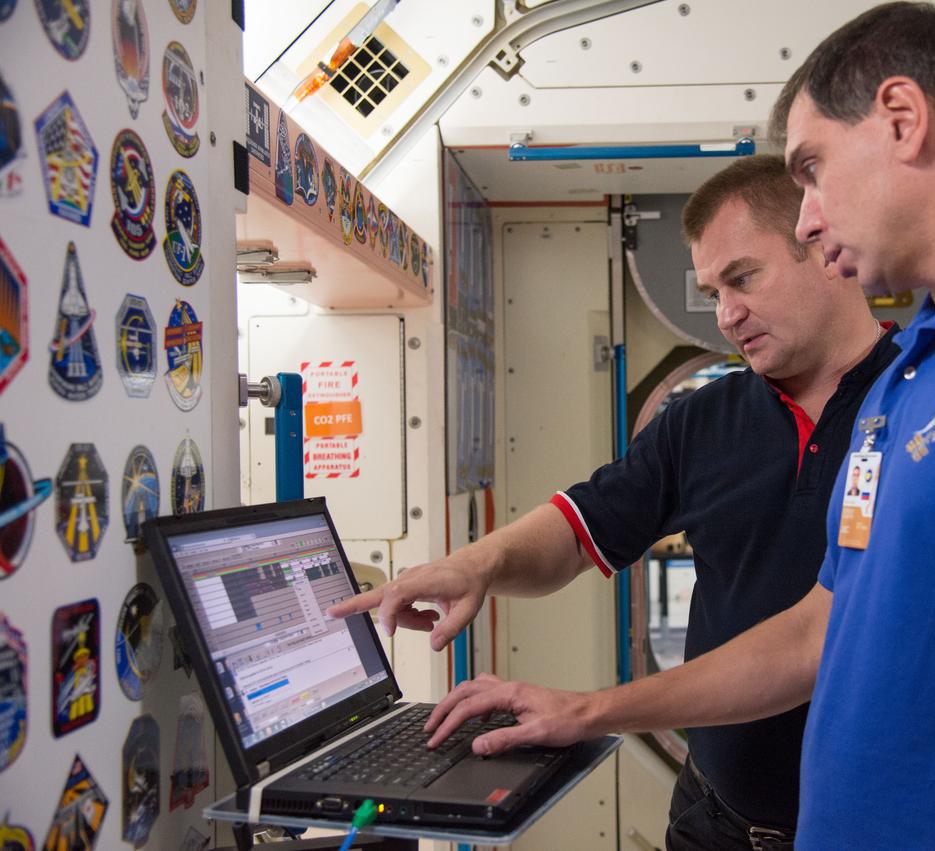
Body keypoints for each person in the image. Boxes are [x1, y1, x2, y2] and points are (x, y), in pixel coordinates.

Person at [422, 4, 935, 849]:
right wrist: (587, 708)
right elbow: (818, 629)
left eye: (812, 169)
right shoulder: (916, 374)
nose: (808, 218)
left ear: (901, 118)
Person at [329, 154, 899, 850]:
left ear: (821, 245)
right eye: (713, 291)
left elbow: (814, 640)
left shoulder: (926, 406)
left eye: (743, 277)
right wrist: (477, 564)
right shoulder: (703, 418)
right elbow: (579, 529)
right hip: (713, 819)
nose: (726, 315)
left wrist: (588, 710)